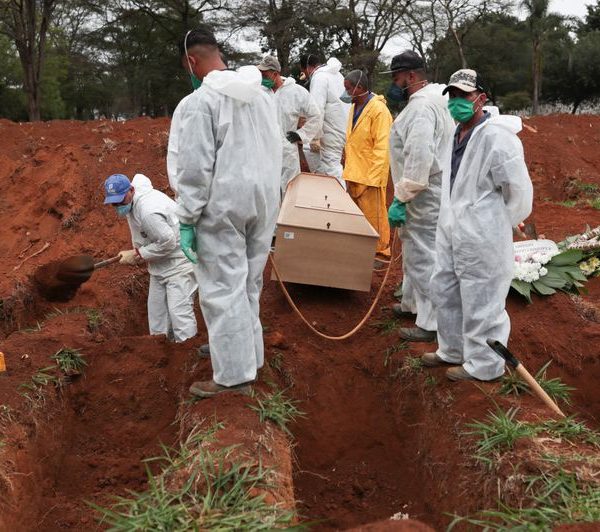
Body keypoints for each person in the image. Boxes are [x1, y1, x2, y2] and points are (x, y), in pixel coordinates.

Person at [175, 26, 282, 397]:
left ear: (192, 61)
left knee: (223, 289)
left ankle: (234, 377)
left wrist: (187, 218)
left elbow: (194, 168)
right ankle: (252, 358)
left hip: (223, 206)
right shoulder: (262, 97)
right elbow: (276, 149)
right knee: (249, 283)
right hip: (263, 202)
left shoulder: (201, 102)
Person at [422, 69, 533, 381]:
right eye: (453, 96)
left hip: (483, 232)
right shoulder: (455, 134)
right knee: (445, 287)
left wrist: (497, 222)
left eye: (464, 96)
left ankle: (484, 365)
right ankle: (452, 349)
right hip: (451, 227)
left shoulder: (497, 138)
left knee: (481, 296)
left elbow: (517, 190)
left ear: (481, 98)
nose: (457, 102)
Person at [385, 51, 455, 342]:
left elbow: (419, 156)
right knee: (415, 249)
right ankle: (412, 304)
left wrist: (402, 197)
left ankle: (432, 322)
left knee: (422, 255)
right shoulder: (434, 100)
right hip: (429, 189)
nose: (394, 83)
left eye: (397, 77)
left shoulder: (421, 109)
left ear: (411, 76)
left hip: (422, 193)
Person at [103, 173, 198, 343]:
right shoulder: (132, 203)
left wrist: (138, 254)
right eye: (114, 203)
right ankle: (159, 353)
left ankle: (188, 352)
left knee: (179, 313)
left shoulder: (148, 211)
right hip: (159, 266)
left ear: (131, 190)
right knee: (157, 316)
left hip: (179, 263)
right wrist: (138, 252)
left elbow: (168, 242)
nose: (117, 206)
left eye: (120, 200)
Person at [341, 69, 393, 259]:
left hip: (370, 175)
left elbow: (383, 146)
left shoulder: (379, 111)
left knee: (375, 217)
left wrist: (374, 178)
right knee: (357, 216)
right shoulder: (354, 107)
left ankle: (381, 252)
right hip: (354, 172)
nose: (346, 93)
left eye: (348, 89)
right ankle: (361, 250)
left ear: (360, 88)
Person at [258, 55, 321, 195]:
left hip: (287, 152)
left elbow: (316, 115)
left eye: (265, 75)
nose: (262, 78)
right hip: (265, 151)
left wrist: (301, 134)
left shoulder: (296, 92)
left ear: (275, 74)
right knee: (267, 192)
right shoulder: (260, 92)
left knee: (289, 190)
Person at [299, 54, 350, 187]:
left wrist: (315, 137)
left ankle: (338, 197)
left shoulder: (319, 77)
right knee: (327, 164)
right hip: (343, 127)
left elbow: (316, 109)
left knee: (331, 167)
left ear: (308, 68)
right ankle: (325, 190)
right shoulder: (337, 75)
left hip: (330, 131)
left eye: (304, 72)